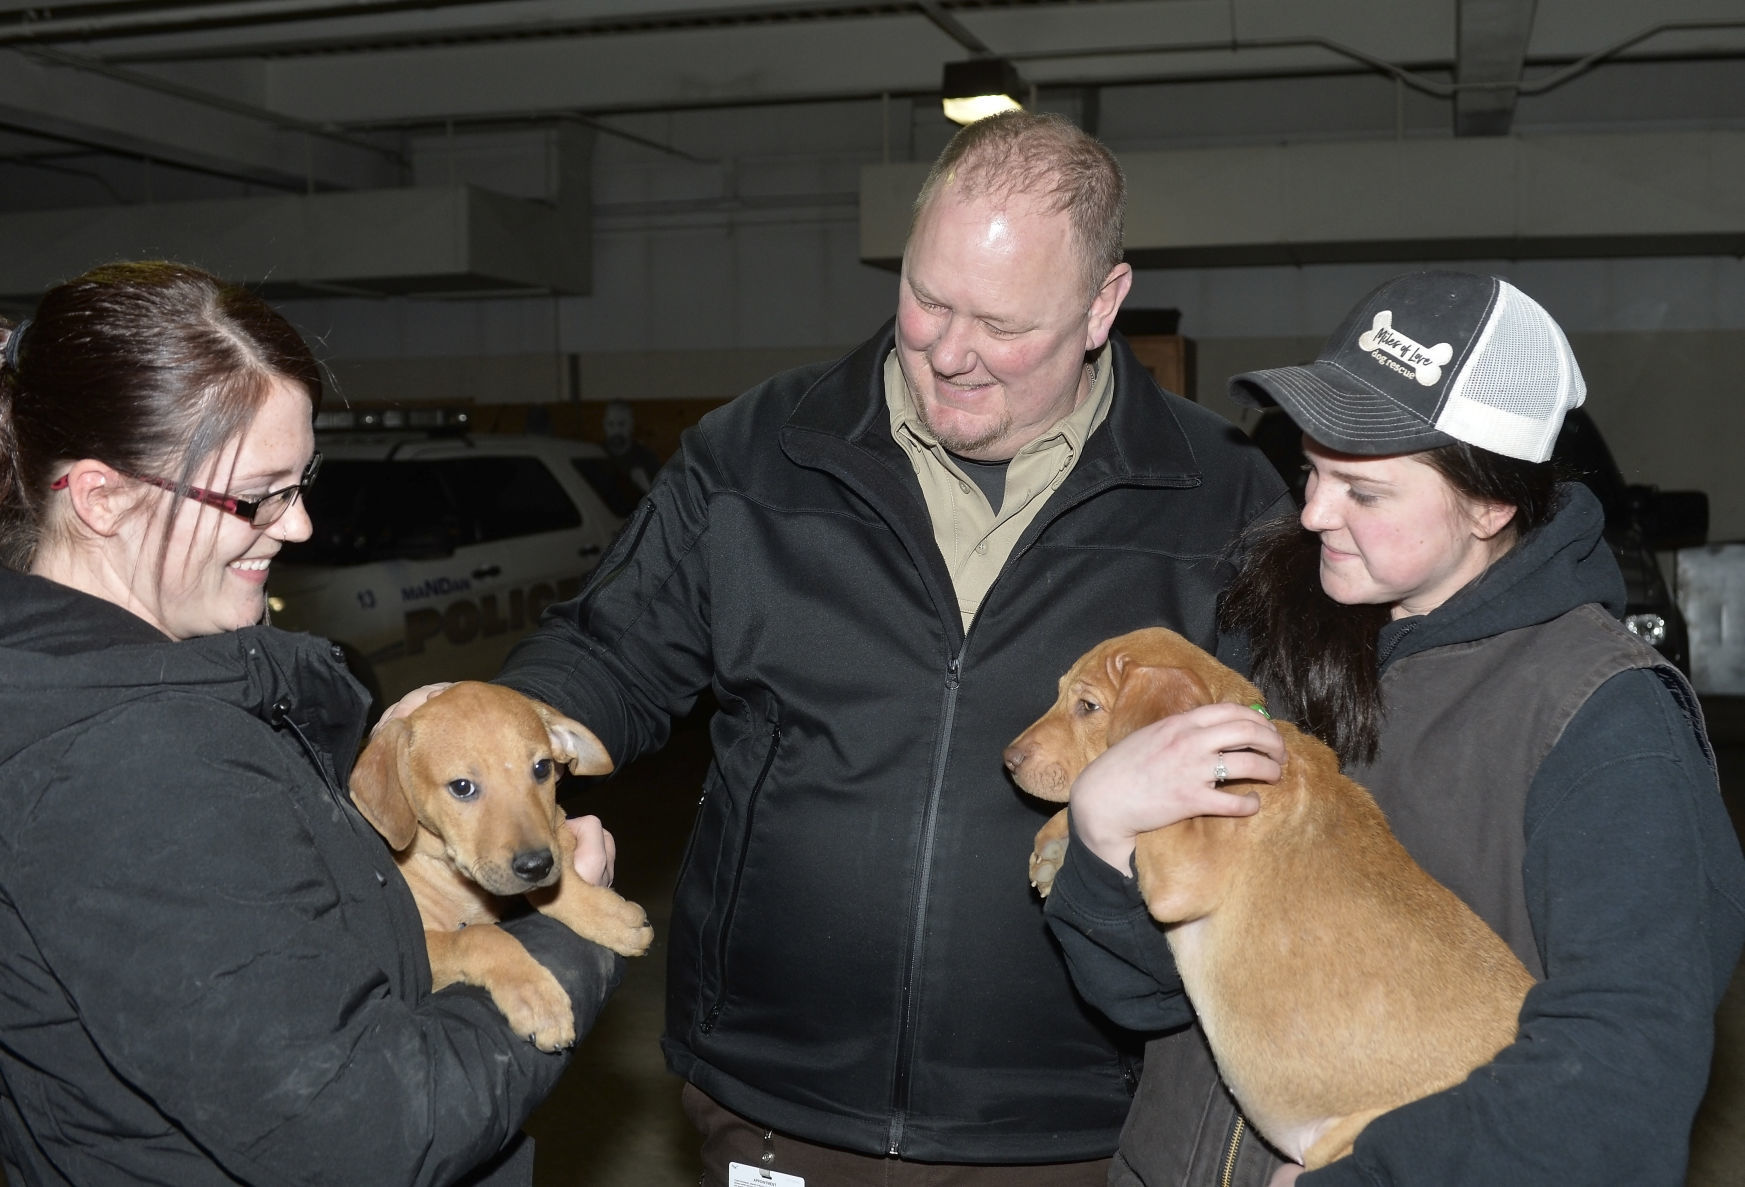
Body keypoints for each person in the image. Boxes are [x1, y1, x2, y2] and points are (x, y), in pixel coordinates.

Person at [473, 111, 1291, 1183]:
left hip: (1075, 1121)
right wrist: (476, 741)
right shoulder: (760, 450)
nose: (948, 351)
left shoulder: (1221, 497)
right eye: (925, 296)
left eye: (1000, 323)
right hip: (780, 1094)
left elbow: (1278, 791)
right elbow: (610, 653)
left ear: (1101, 305)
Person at [1043, 270, 1745, 1185]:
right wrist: (1101, 840)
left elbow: (1618, 1081)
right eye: (1310, 470)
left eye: (1362, 490)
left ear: (1491, 504)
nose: (1310, 513)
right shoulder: (1279, 649)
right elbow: (1146, 996)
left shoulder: (1602, 720)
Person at [0, 260, 626, 1186]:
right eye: (257, 495)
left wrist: (377, 733)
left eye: (302, 481)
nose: (297, 526)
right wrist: (567, 940)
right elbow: (366, 1133)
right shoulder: (127, 764)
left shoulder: (156, 681)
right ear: (101, 500)